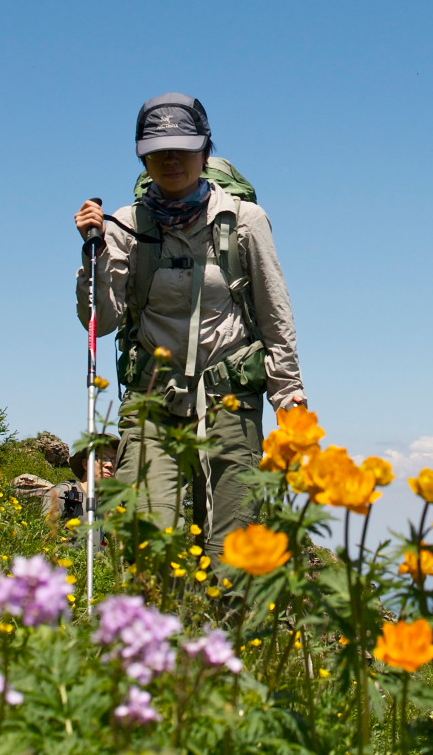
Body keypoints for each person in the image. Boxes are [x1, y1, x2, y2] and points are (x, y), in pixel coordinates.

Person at [74, 92, 306, 555]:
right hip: (152, 403)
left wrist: (290, 395)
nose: (171, 159)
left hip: (230, 398)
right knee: (150, 540)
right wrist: (93, 255)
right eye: (158, 151)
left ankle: (229, 627)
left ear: (205, 149)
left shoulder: (243, 221)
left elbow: (274, 314)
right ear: (144, 157)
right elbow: (100, 322)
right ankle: (160, 625)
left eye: (183, 147)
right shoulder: (124, 225)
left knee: (234, 550)